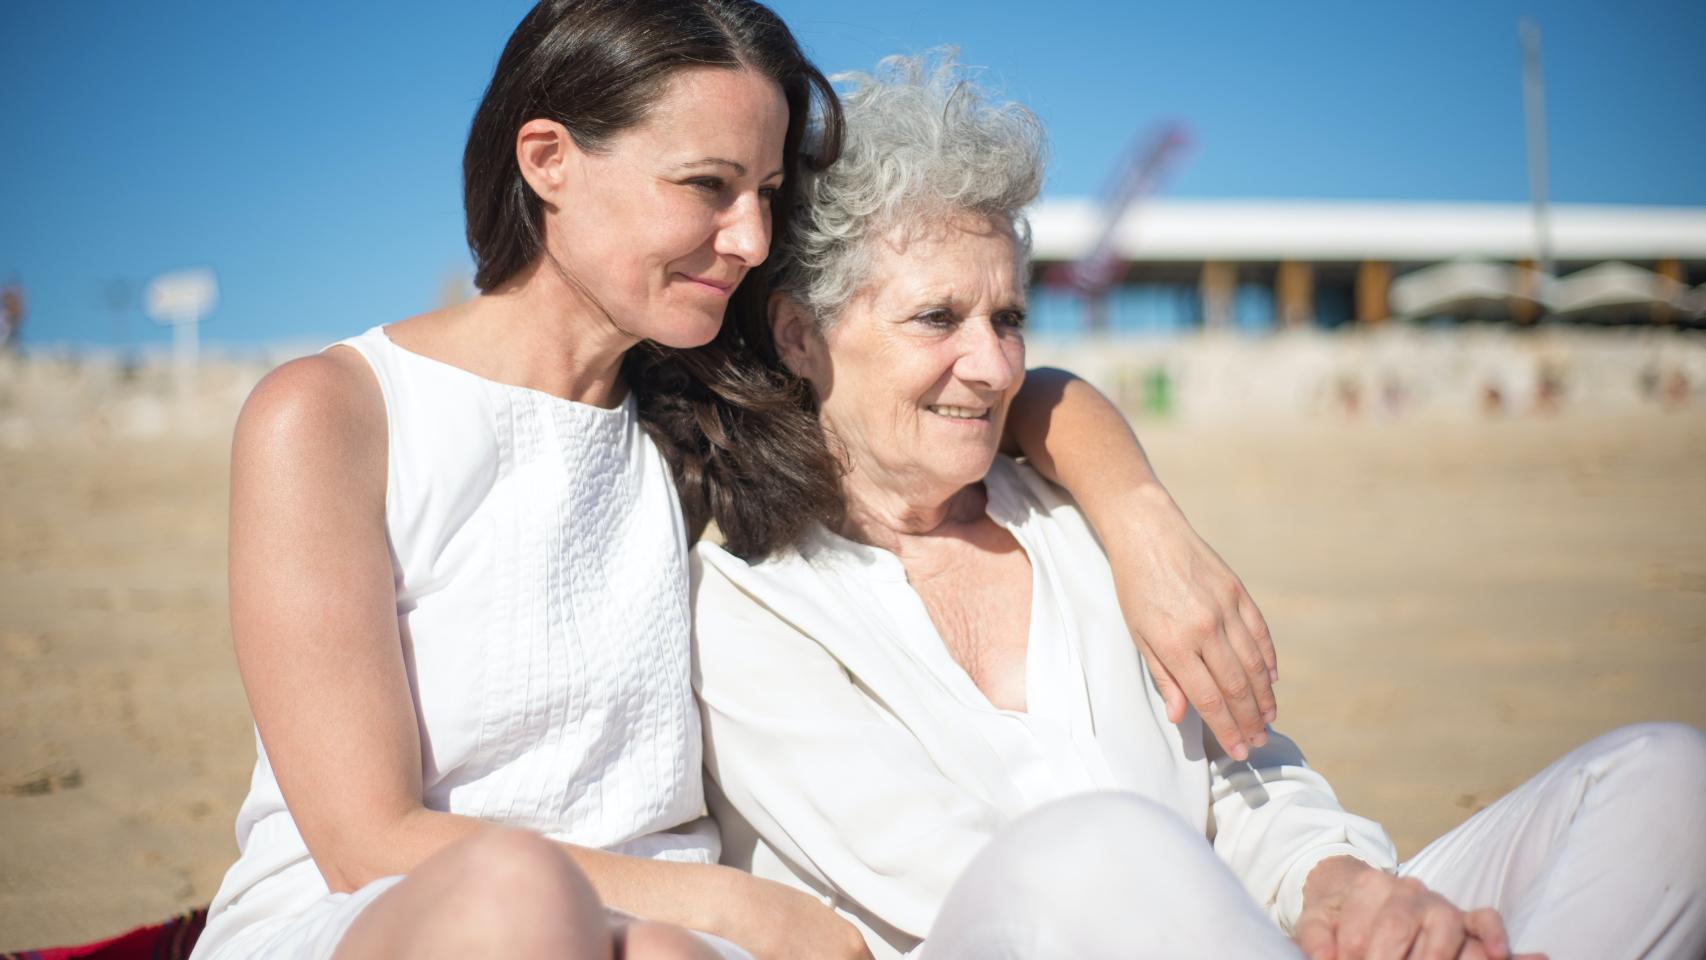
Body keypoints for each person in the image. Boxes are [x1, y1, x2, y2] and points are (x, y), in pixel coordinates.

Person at [195, 5, 1282, 959]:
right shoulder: (335, 416)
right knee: (518, 903)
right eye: (708, 188)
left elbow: (1001, 389)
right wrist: (743, 910)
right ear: (546, 159)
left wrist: (1140, 520)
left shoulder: (697, 411)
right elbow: (366, 839)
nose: (750, 237)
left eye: (763, 193)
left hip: (664, 931)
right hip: (397, 918)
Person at [689, 53, 1706, 960]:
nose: (993, 365)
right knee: (1096, 847)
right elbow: (967, 885)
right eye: (936, 319)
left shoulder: (1073, 519)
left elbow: (1245, 779)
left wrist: (1336, 887)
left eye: (1007, 317)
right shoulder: (744, 596)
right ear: (794, 334)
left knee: (1664, 785)